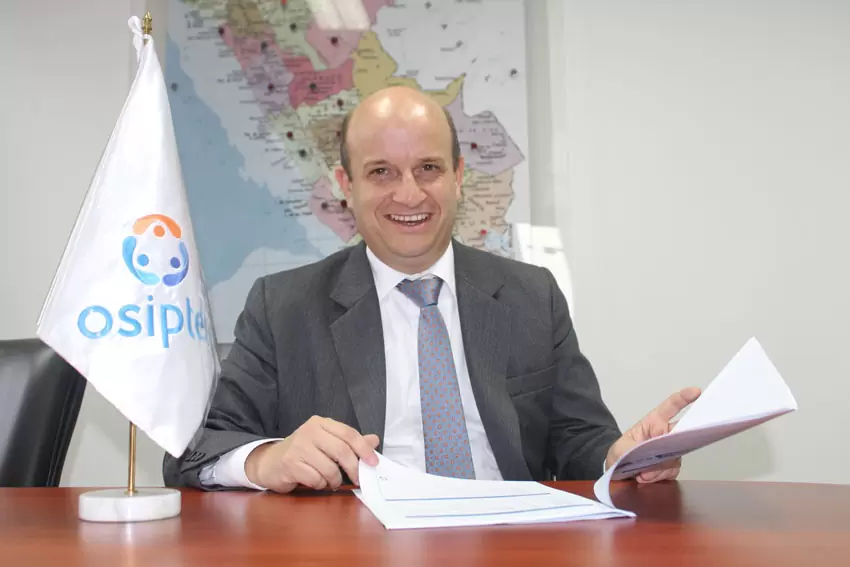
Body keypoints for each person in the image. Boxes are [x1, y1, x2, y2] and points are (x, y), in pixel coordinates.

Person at [163, 86, 700, 492]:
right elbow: (192, 451)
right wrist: (266, 459)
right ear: (345, 186)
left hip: (512, 542)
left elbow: (579, 440)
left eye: (428, 168)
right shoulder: (282, 306)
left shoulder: (532, 295)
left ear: (458, 175)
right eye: (381, 172)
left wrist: (623, 459)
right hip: (356, 546)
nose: (409, 194)